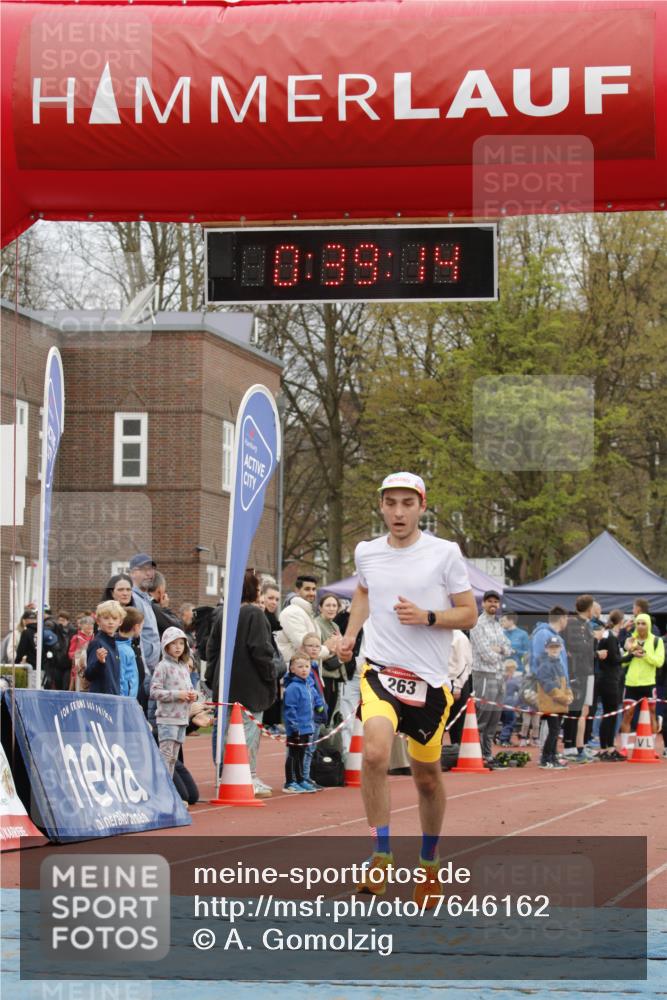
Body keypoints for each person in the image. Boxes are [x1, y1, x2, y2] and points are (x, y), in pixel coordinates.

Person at [339, 471, 477, 906]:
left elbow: (469, 614)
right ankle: (380, 854)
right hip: (380, 669)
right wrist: (350, 633)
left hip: (429, 682)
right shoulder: (367, 552)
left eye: (407, 504)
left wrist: (429, 617)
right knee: (375, 752)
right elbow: (363, 592)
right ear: (380, 506)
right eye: (390, 503)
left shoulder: (445, 553)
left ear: (422, 506)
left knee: (427, 779)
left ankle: (430, 864)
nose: (398, 512)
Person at [205, 569, 277, 798]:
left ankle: (227, 773)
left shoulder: (223, 614)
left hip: (226, 683)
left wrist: (212, 678)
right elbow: (261, 650)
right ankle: (249, 775)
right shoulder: (254, 615)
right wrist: (270, 675)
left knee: (227, 731)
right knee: (248, 731)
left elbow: (211, 649)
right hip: (250, 685)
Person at [470, 591, 513, 764]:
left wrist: (500, 649)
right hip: (484, 674)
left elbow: (509, 648)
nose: (493, 604)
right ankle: (478, 755)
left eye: (496, 601)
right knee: (483, 717)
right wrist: (500, 651)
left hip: (499, 675)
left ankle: (488, 754)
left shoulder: (497, 624)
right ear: (483, 604)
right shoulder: (477, 625)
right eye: (490, 601)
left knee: (494, 719)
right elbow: (485, 654)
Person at [150, 626, 197, 777]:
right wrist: (178, 695)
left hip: (182, 719)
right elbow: (154, 692)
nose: (178, 647)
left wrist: (192, 695)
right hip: (167, 719)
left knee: (173, 758)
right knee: (165, 756)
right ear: (166, 645)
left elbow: (189, 688)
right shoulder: (162, 666)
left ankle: (169, 791)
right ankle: (162, 791)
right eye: (174, 643)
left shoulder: (184, 667)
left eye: (181, 644)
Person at [619, 613, 665, 753]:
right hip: (631, 683)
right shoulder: (631, 640)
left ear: (648, 625)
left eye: (643, 623)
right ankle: (624, 747)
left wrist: (644, 654)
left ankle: (650, 747)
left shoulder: (657, 641)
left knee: (652, 713)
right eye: (638, 623)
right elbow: (622, 663)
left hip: (649, 683)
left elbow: (659, 662)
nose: (640, 626)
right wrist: (631, 653)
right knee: (628, 715)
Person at [561, 595, 596, 763]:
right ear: (589, 609)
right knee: (573, 709)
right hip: (575, 673)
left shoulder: (587, 625)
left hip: (586, 671)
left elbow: (587, 649)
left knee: (581, 710)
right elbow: (579, 647)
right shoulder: (572, 623)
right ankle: (569, 746)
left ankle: (579, 746)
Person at [276, 577, 340, 665]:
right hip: (294, 672)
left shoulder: (307, 613)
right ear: (297, 590)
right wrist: (327, 648)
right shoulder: (292, 613)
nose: (311, 593)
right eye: (307, 589)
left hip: (306, 670)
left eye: (314, 589)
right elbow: (304, 647)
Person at [533, 635, 572, 770]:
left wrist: (569, 694)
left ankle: (553, 757)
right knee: (554, 731)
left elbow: (564, 684)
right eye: (551, 647)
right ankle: (546, 758)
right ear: (546, 649)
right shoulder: (545, 665)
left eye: (556, 647)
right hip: (551, 704)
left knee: (555, 731)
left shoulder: (558, 664)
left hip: (559, 704)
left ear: (561, 648)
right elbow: (549, 687)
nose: (554, 649)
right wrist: (564, 698)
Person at [283, 654, 320, 793]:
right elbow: (290, 708)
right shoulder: (293, 687)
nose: (304, 670)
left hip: (306, 727)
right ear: (292, 669)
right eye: (300, 667)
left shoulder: (308, 685)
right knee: (293, 755)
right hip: (296, 729)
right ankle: (290, 782)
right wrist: (294, 727)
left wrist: (319, 707)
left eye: (306, 666)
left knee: (301, 754)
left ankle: (300, 779)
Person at [596, 609, 626, 760]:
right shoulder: (611, 637)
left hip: (606, 678)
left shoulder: (606, 634)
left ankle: (607, 747)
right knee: (610, 714)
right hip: (609, 679)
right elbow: (615, 660)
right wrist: (631, 655)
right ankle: (606, 748)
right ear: (620, 622)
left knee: (609, 714)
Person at [128, 553, 161, 687]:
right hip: (142, 674)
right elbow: (137, 637)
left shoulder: (145, 600)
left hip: (150, 672)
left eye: (152, 570)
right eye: (145, 570)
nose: (150, 574)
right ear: (133, 573)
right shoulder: (134, 599)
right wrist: (145, 673)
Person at [315, 593, 346, 720]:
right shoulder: (316, 624)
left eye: (334, 605)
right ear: (320, 608)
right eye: (328, 605)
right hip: (322, 677)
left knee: (330, 717)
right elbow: (316, 651)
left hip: (335, 677)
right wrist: (331, 649)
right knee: (320, 716)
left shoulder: (335, 626)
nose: (331, 608)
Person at [84, 600, 124, 695]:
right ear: (98, 621)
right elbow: (88, 674)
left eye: (114, 618)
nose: (111, 622)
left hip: (113, 698)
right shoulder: (97, 643)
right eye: (106, 618)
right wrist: (100, 662)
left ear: (120, 621)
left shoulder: (114, 644)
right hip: (101, 701)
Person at [445, 628, 473, 747]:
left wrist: (457, 686)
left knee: (457, 723)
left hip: (456, 682)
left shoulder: (459, 637)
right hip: (444, 681)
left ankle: (458, 754)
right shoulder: (443, 634)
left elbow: (463, 664)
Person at [116, 607, 144, 699]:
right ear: (136, 627)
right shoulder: (123, 650)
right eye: (141, 626)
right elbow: (120, 678)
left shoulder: (127, 646)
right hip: (126, 701)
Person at [68, 615, 95, 690]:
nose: (89, 626)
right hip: (79, 670)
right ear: (82, 625)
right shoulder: (76, 638)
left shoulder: (95, 638)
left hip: (91, 668)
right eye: (87, 624)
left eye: (91, 624)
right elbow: (71, 654)